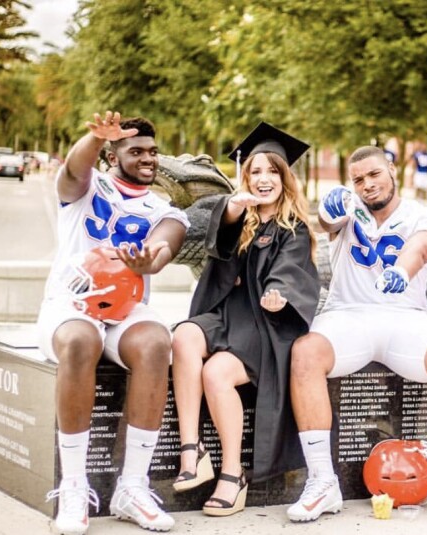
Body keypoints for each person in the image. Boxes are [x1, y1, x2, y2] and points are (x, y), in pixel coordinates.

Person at [288, 146, 427, 524]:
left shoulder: (422, 215)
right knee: (305, 352)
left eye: (374, 175)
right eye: (358, 180)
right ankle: (322, 481)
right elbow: (325, 224)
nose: (368, 185)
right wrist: (327, 212)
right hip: (348, 314)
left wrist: (401, 269)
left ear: (392, 171)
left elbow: (422, 246)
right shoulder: (349, 211)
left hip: (404, 316)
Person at [37, 111, 189, 534]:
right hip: (72, 304)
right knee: (81, 341)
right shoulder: (85, 188)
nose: (148, 159)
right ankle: (73, 485)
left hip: (125, 309)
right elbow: (73, 169)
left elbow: (163, 248)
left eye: (153, 152)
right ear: (111, 155)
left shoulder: (165, 209)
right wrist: (92, 139)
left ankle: (132, 486)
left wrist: (149, 259)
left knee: (158, 342)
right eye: (136, 150)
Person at [170, 123, 320, 516]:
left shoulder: (294, 229)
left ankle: (233, 475)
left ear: (285, 179)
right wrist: (235, 208)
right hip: (226, 316)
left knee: (217, 374)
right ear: (245, 177)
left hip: (260, 326)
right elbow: (218, 246)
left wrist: (278, 296)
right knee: (184, 336)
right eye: (256, 171)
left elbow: (290, 273)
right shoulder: (238, 215)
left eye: (273, 171)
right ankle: (193, 451)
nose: (264, 178)